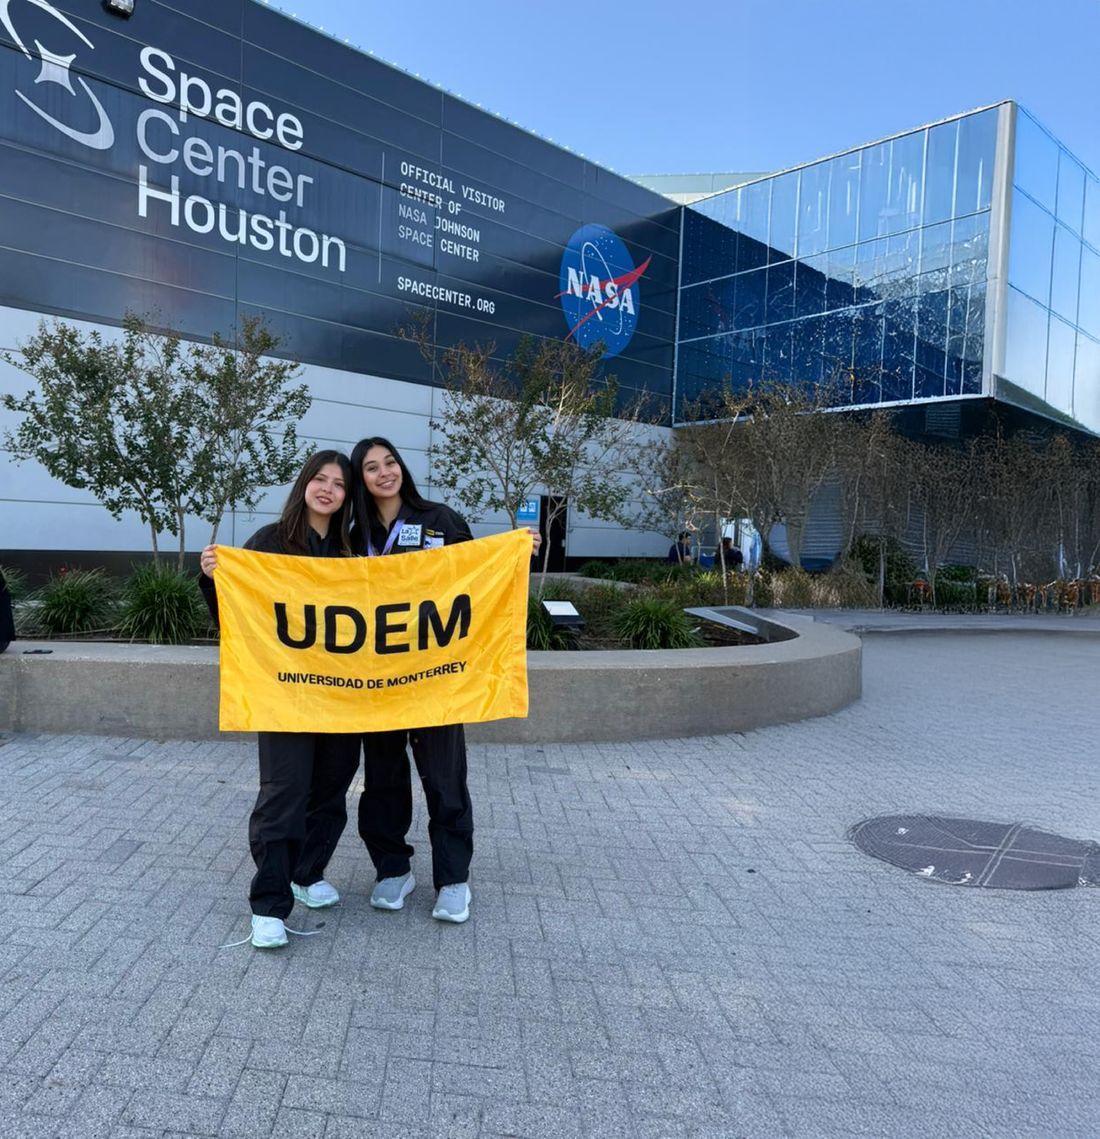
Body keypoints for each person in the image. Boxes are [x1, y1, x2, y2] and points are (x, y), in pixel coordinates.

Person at [350, 436, 538, 925]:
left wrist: (516, 552)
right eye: (371, 467)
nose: (385, 472)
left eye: (390, 461)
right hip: (378, 684)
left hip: (436, 679)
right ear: (361, 479)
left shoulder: (440, 520)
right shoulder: (353, 535)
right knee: (383, 782)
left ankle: (454, 880)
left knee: (444, 780)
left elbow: (477, 580)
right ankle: (393, 869)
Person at [199, 451, 362, 950]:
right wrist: (213, 577)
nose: (328, 489)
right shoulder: (269, 542)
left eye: (339, 483)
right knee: (283, 795)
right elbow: (237, 614)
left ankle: (306, 874)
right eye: (320, 479)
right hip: (283, 694)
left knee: (331, 791)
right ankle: (268, 905)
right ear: (304, 483)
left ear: (347, 495)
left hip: (342, 697)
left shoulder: (354, 550)